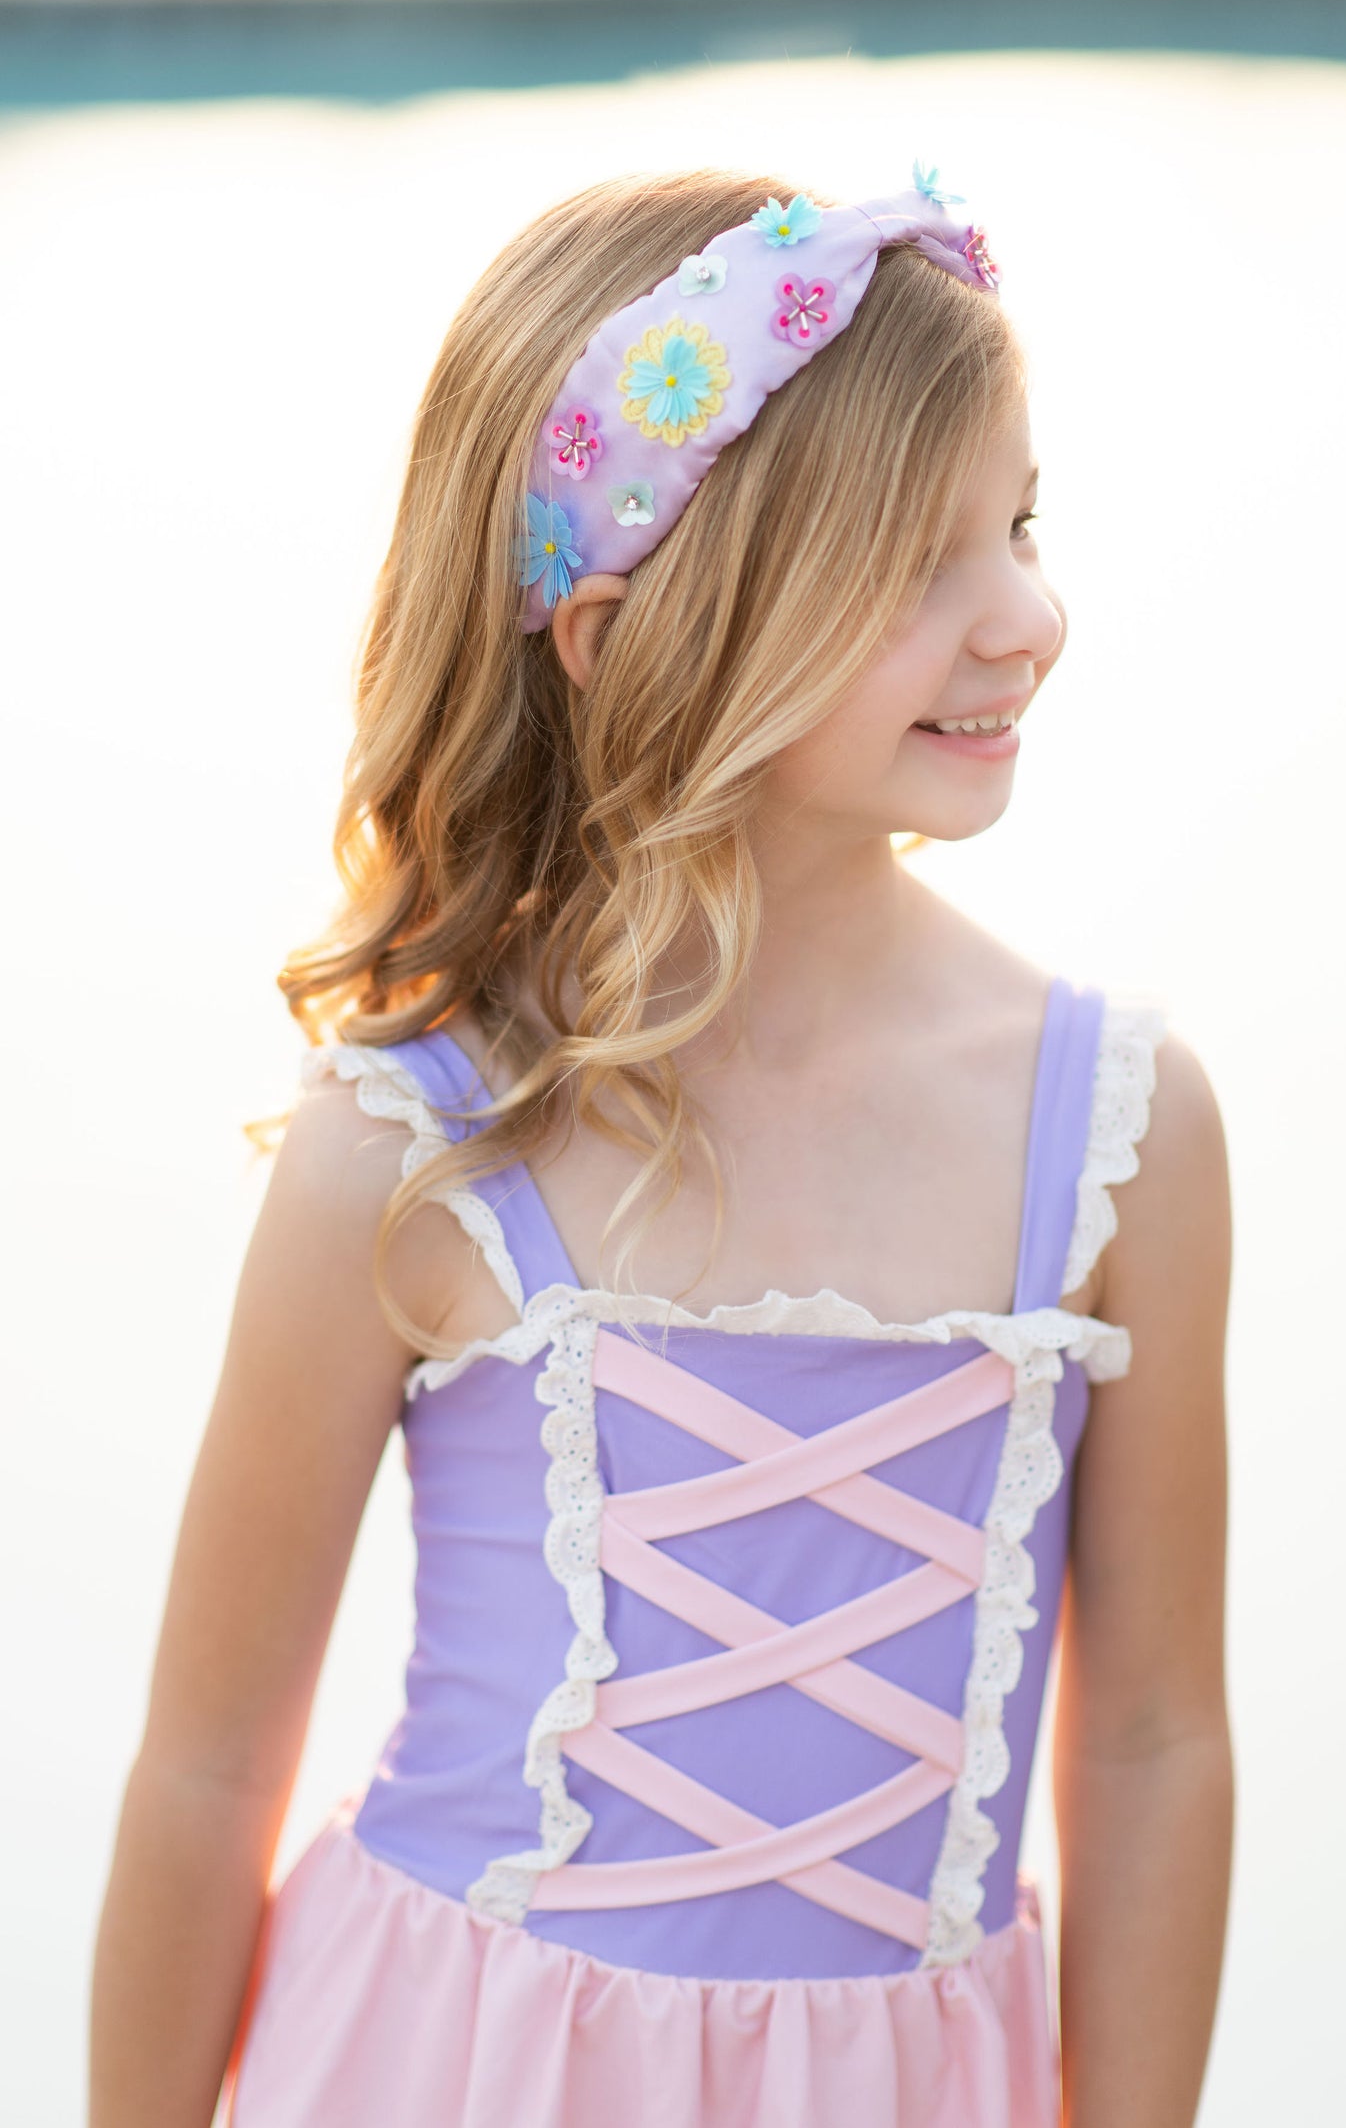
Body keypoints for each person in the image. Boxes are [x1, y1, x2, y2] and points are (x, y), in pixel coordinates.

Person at [89, 164, 1234, 2128]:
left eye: (1020, 524)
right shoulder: (412, 1139)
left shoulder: (1123, 1129)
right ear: (623, 633)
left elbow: (1143, 1740)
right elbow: (206, 1770)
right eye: (917, 564)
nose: (1030, 617)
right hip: (441, 2074)